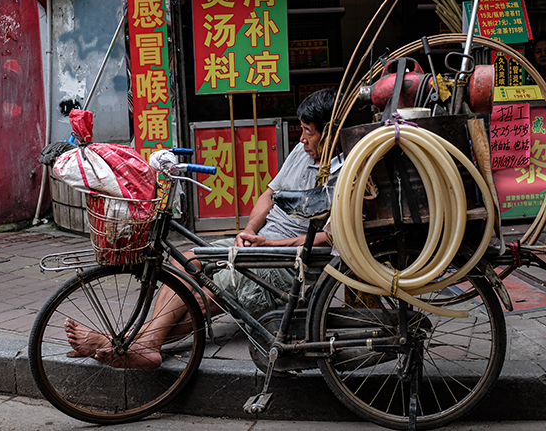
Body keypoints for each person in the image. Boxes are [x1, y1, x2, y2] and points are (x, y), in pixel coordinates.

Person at [65, 88, 342, 368]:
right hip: (261, 243)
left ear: (330, 132)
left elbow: (330, 238)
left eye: (309, 132)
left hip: (289, 263)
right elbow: (269, 194)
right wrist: (249, 231)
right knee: (184, 260)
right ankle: (136, 342)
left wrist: (270, 246)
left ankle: (129, 342)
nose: (303, 138)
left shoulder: (344, 172)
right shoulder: (301, 152)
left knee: (211, 291)